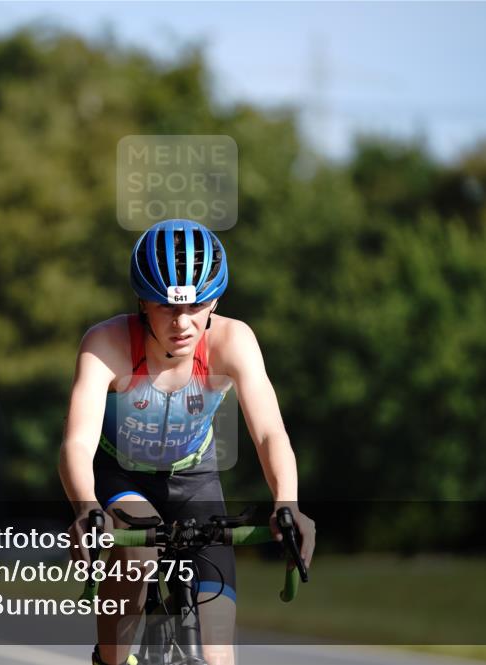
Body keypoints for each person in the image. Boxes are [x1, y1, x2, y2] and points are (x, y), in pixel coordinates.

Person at [58, 219, 315, 665]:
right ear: (142, 302)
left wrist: (287, 503)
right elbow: (76, 443)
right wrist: (86, 508)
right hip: (123, 480)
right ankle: (112, 658)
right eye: (165, 307)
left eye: (196, 306)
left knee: (217, 656)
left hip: (195, 482)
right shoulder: (106, 343)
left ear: (215, 300)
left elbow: (271, 431)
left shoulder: (234, 341)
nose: (181, 322)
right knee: (137, 553)